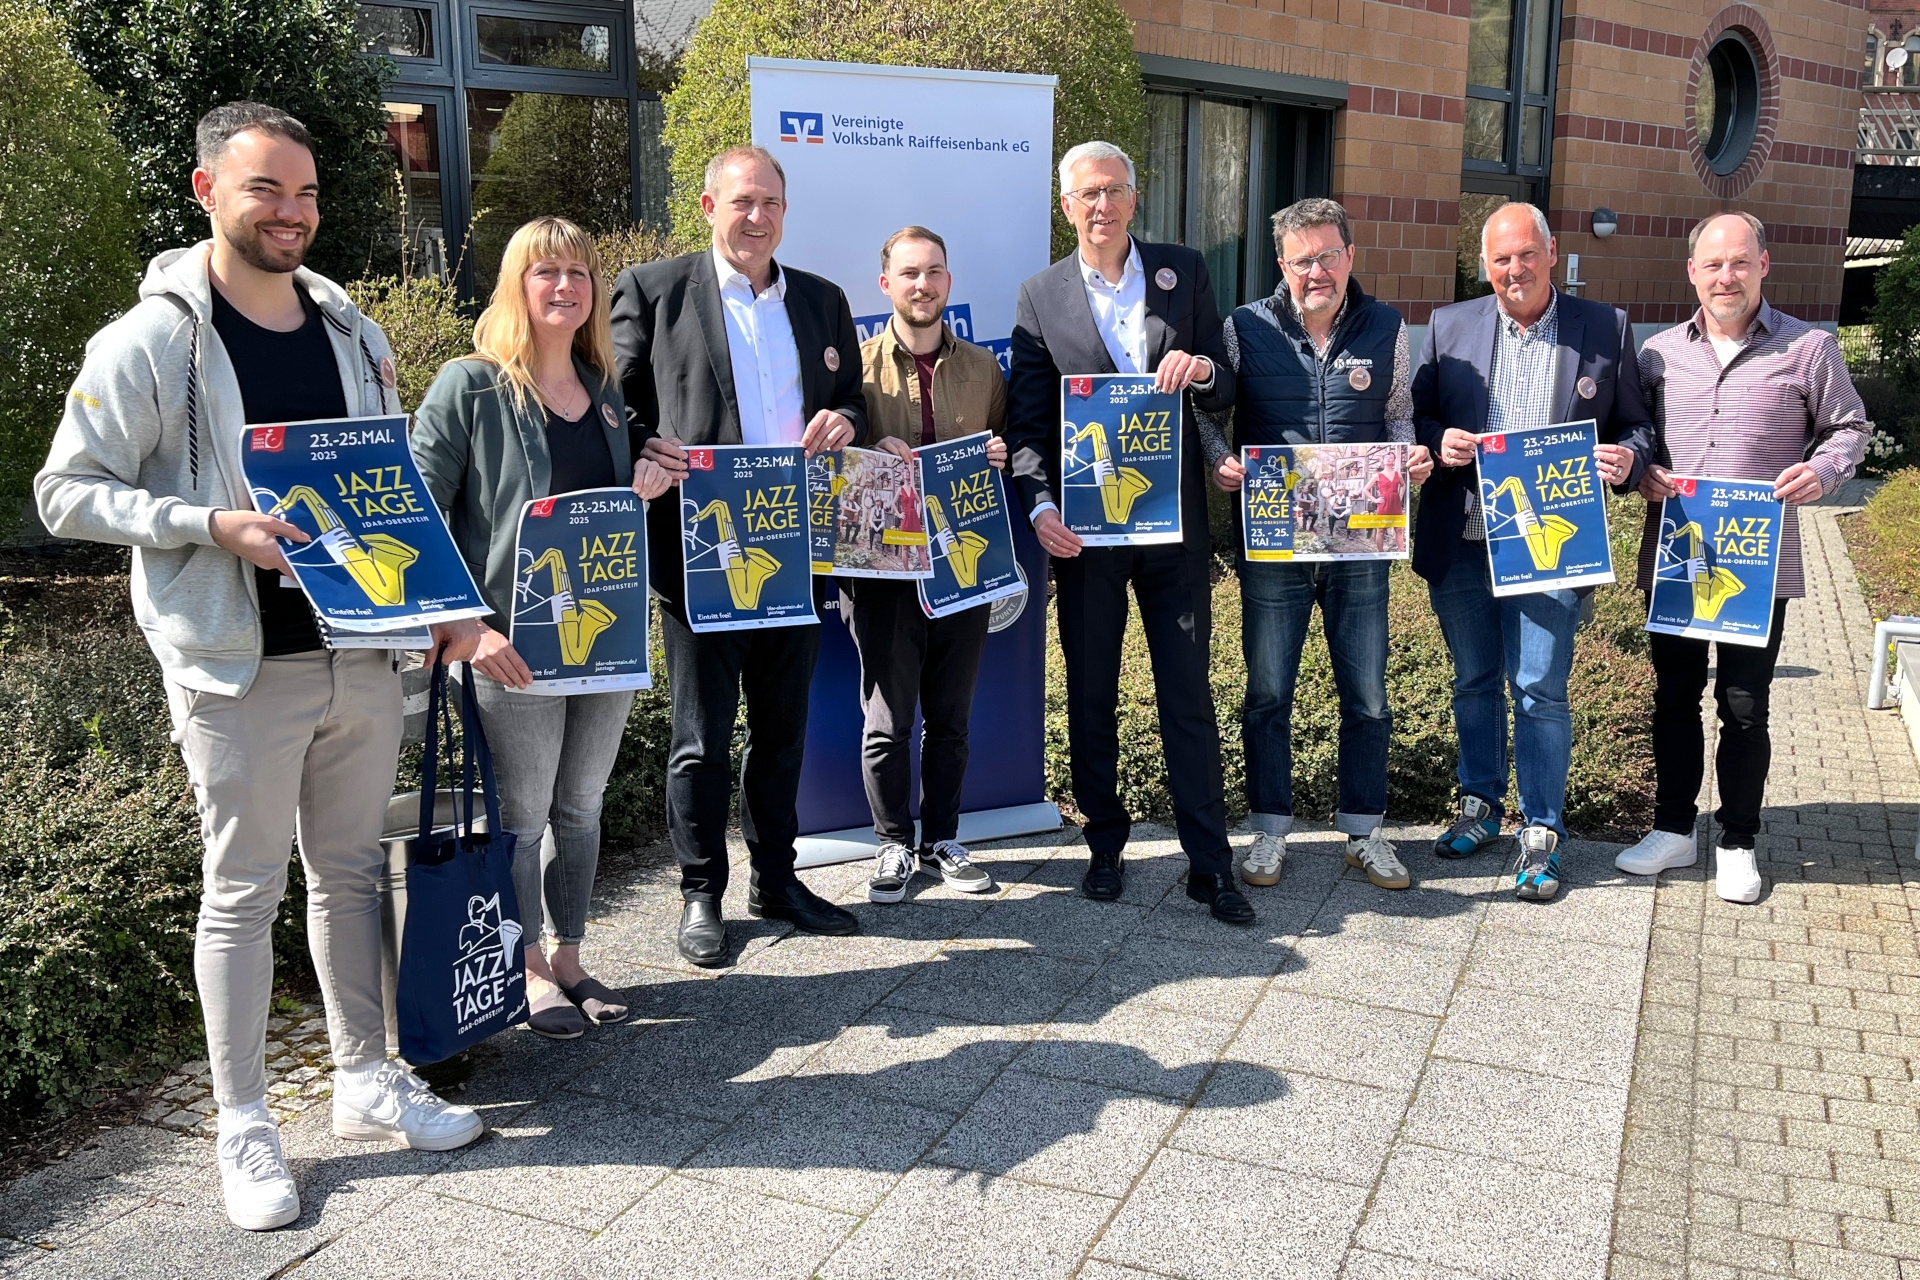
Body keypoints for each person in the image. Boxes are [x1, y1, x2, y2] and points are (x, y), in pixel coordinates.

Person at [34, 102, 482, 1233]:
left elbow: (387, 482)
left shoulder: (348, 327)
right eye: (266, 190)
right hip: (239, 664)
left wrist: (435, 603)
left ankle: (365, 1076)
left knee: (347, 874)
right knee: (242, 893)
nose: (291, 212)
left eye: (307, 193)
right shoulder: (154, 340)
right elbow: (64, 492)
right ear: (206, 192)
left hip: (361, 652)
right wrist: (202, 521)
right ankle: (244, 1120)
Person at [412, 217, 673, 1037]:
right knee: (522, 816)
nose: (564, 287)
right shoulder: (471, 384)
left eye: (579, 273)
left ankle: (570, 955)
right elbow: (417, 508)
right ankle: (524, 969)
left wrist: (650, 475)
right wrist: (464, 626)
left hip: (603, 641)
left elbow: (604, 507)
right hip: (512, 648)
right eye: (545, 272)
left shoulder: (603, 391)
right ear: (515, 286)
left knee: (584, 807)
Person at [611, 145, 867, 967]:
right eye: (742, 201)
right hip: (700, 556)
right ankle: (699, 894)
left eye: (771, 203)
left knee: (783, 731)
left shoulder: (823, 301)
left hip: (796, 549)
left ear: (785, 214)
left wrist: (848, 423)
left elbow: (851, 397)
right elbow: (616, 405)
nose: (756, 217)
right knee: (701, 739)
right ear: (707, 204)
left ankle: (777, 879)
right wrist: (643, 445)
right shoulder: (653, 291)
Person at [1005, 140, 1251, 924]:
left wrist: (1204, 372)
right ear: (1066, 206)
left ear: (1133, 199)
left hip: (1172, 528)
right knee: (1091, 694)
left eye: (1113, 190)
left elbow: (1225, 381)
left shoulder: (1182, 270)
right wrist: (1041, 507)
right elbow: (1029, 423)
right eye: (1086, 194)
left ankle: (1211, 863)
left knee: (1188, 695)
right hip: (1085, 537)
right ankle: (1105, 844)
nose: (1101, 205)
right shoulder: (1040, 296)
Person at [1614, 211, 1868, 903]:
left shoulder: (1808, 348)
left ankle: (1737, 839)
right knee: (1673, 697)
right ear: (1692, 272)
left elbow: (1849, 426)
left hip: (1758, 562)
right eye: (1712, 264)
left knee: (1745, 704)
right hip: (1675, 556)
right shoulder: (1659, 353)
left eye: (1739, 262)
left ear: (1763, 264)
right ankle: (1672, 829)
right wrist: (1641, 471)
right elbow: (1638, 438)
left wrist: (1827, 471)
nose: (1726, 275)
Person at [1412, 201, 1655, 901]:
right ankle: (1480, 807)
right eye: (1499, 259)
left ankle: (1542, 832)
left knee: (1540, 689)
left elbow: (1639, 429)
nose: (1512, 270)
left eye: (1524, 255)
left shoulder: (1604, 329)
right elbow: (1418, 416)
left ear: (1551, 254)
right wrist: (1437, 441)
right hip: (1464, 538)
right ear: (1483, 266)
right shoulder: (1449, 325)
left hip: (1552, 546)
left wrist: (1625, 461)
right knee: (1474, 681)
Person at [1201, 198, 1434, 892]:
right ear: (1283, 264)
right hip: (1276, 543)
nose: (1318, 270)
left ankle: (1364, 832)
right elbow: (1209, 417)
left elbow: (1398, 415)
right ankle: (1269, 832)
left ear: (1350, 256)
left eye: (1329, 255)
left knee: (1366, 695)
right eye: (1303, 259)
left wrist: (1408, 459)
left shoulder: (1386, 326)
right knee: (1269, 690)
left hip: (1361, 543)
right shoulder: (1244, 327)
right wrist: (1219, 460)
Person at [852, 226, 1011, 903]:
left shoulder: (983, 366)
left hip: (963, 564)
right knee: (887, 717)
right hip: (884, 568)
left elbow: (1010, 440)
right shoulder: (853, 370)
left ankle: (943, 837)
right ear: (886, 283)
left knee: (950, 715)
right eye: (910, 273)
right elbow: (829, 461)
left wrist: (1002, 454)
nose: (923, 285)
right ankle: (892, 843)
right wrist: (865, 447)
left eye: (935, 272)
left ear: (949, 282)